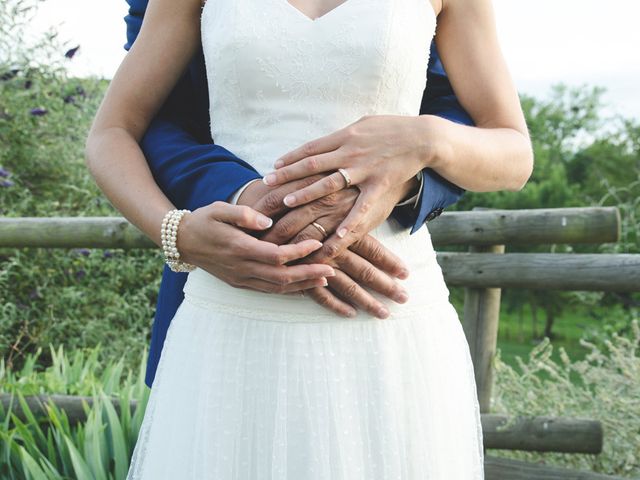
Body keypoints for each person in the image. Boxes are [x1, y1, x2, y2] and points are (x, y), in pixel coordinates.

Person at [86, 0, 533, 477]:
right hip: (233, 315)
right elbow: (113, 130)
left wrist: (427, 139)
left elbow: (513, 151)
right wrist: (177, 233)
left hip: (388, 319)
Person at [123, 0, 473, 390]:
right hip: (233, 286)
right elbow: (144, 120)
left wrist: (403, 176)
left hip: (388, 298)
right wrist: (202, 220)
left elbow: (469, 117)